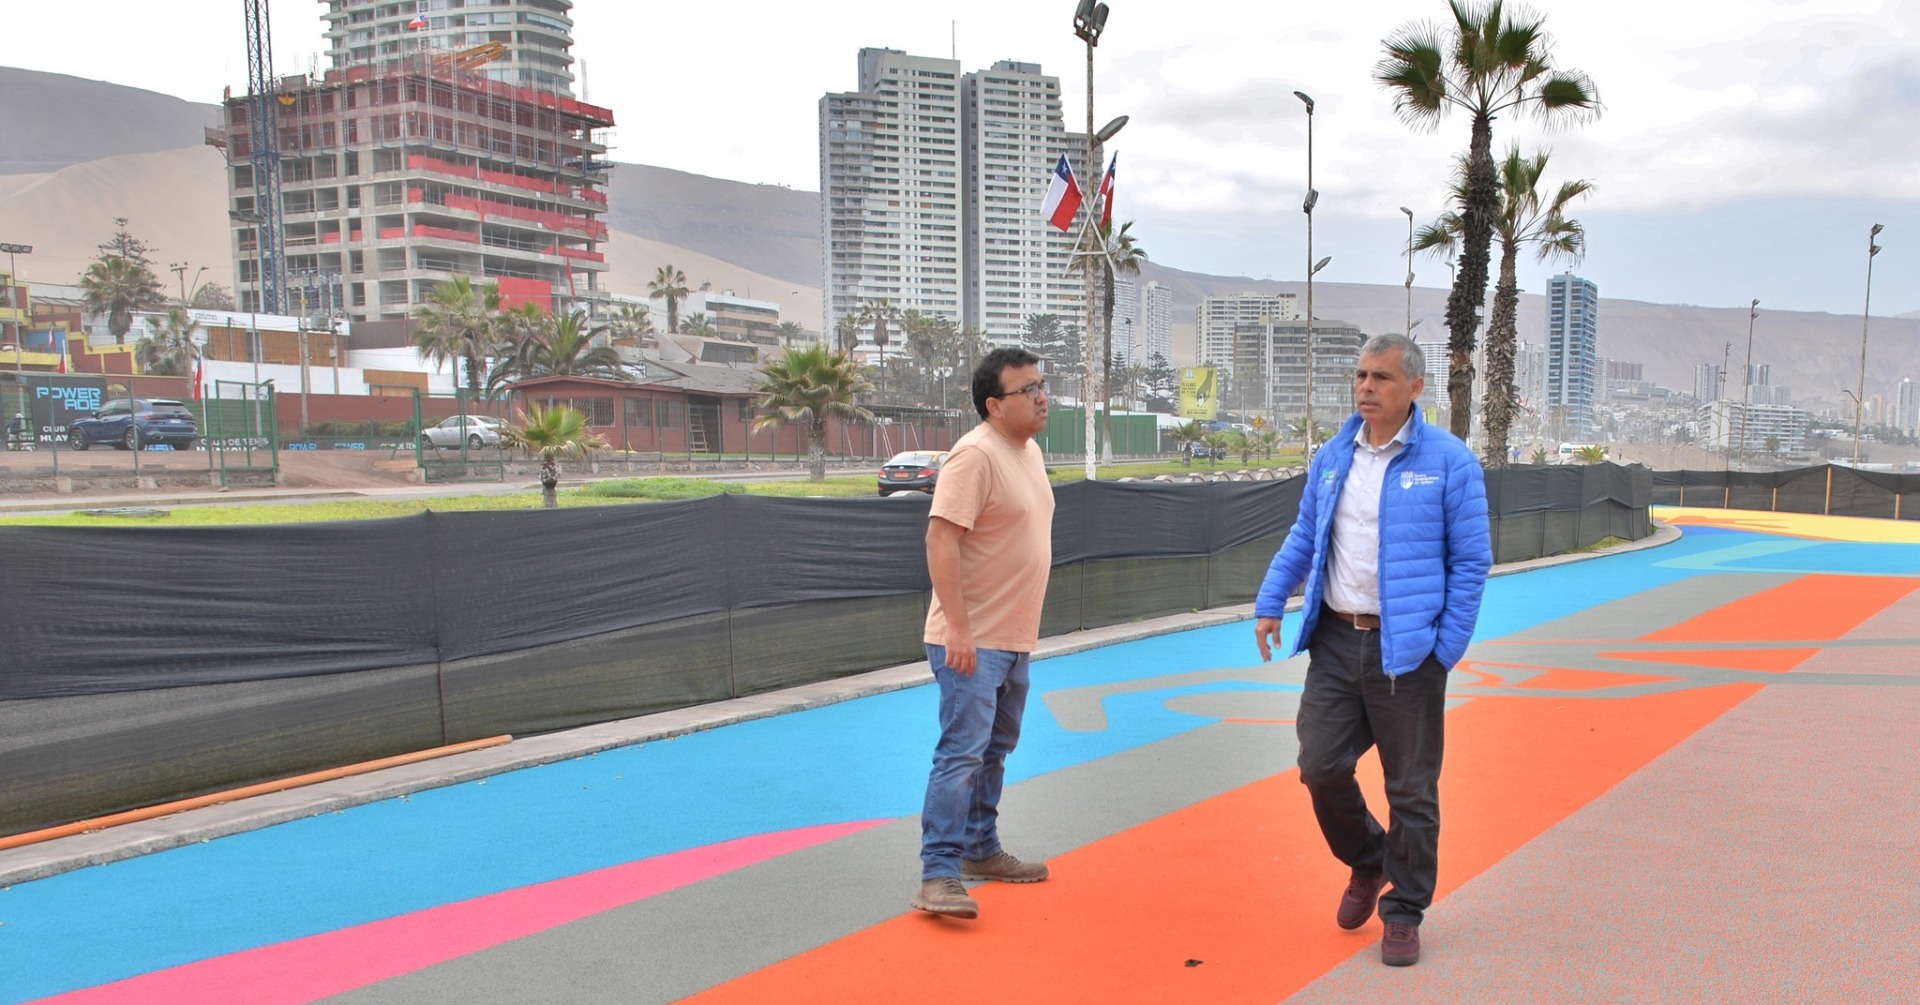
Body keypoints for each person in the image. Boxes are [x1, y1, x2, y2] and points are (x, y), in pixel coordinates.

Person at [1252, 332, 1491, 966]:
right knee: (1319, 765)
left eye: (1381, 378)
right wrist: (1271, 600)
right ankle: (1368, 859)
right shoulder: (1334, 455)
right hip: (1334, 639)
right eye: (1360, 376)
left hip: (1409, 652)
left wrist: (1446, 647)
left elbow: (1472, 563)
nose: (1366, 387)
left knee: (1411, 788)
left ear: (1414, 387)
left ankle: (1405, 909)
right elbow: (1306, 533)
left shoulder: (1451, 461)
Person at [912, 347, 1056, 920]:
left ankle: (980, 848)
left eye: (1043, 384)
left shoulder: (1029, 450)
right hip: (972, 640)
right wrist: (960, 632)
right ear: (995, 405)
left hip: (1014, 638)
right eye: (1029, 390)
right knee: (962, 753)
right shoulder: (973, 455)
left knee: (994, 750)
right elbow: (940, 539)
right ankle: (939, 874)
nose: (1043, 396)